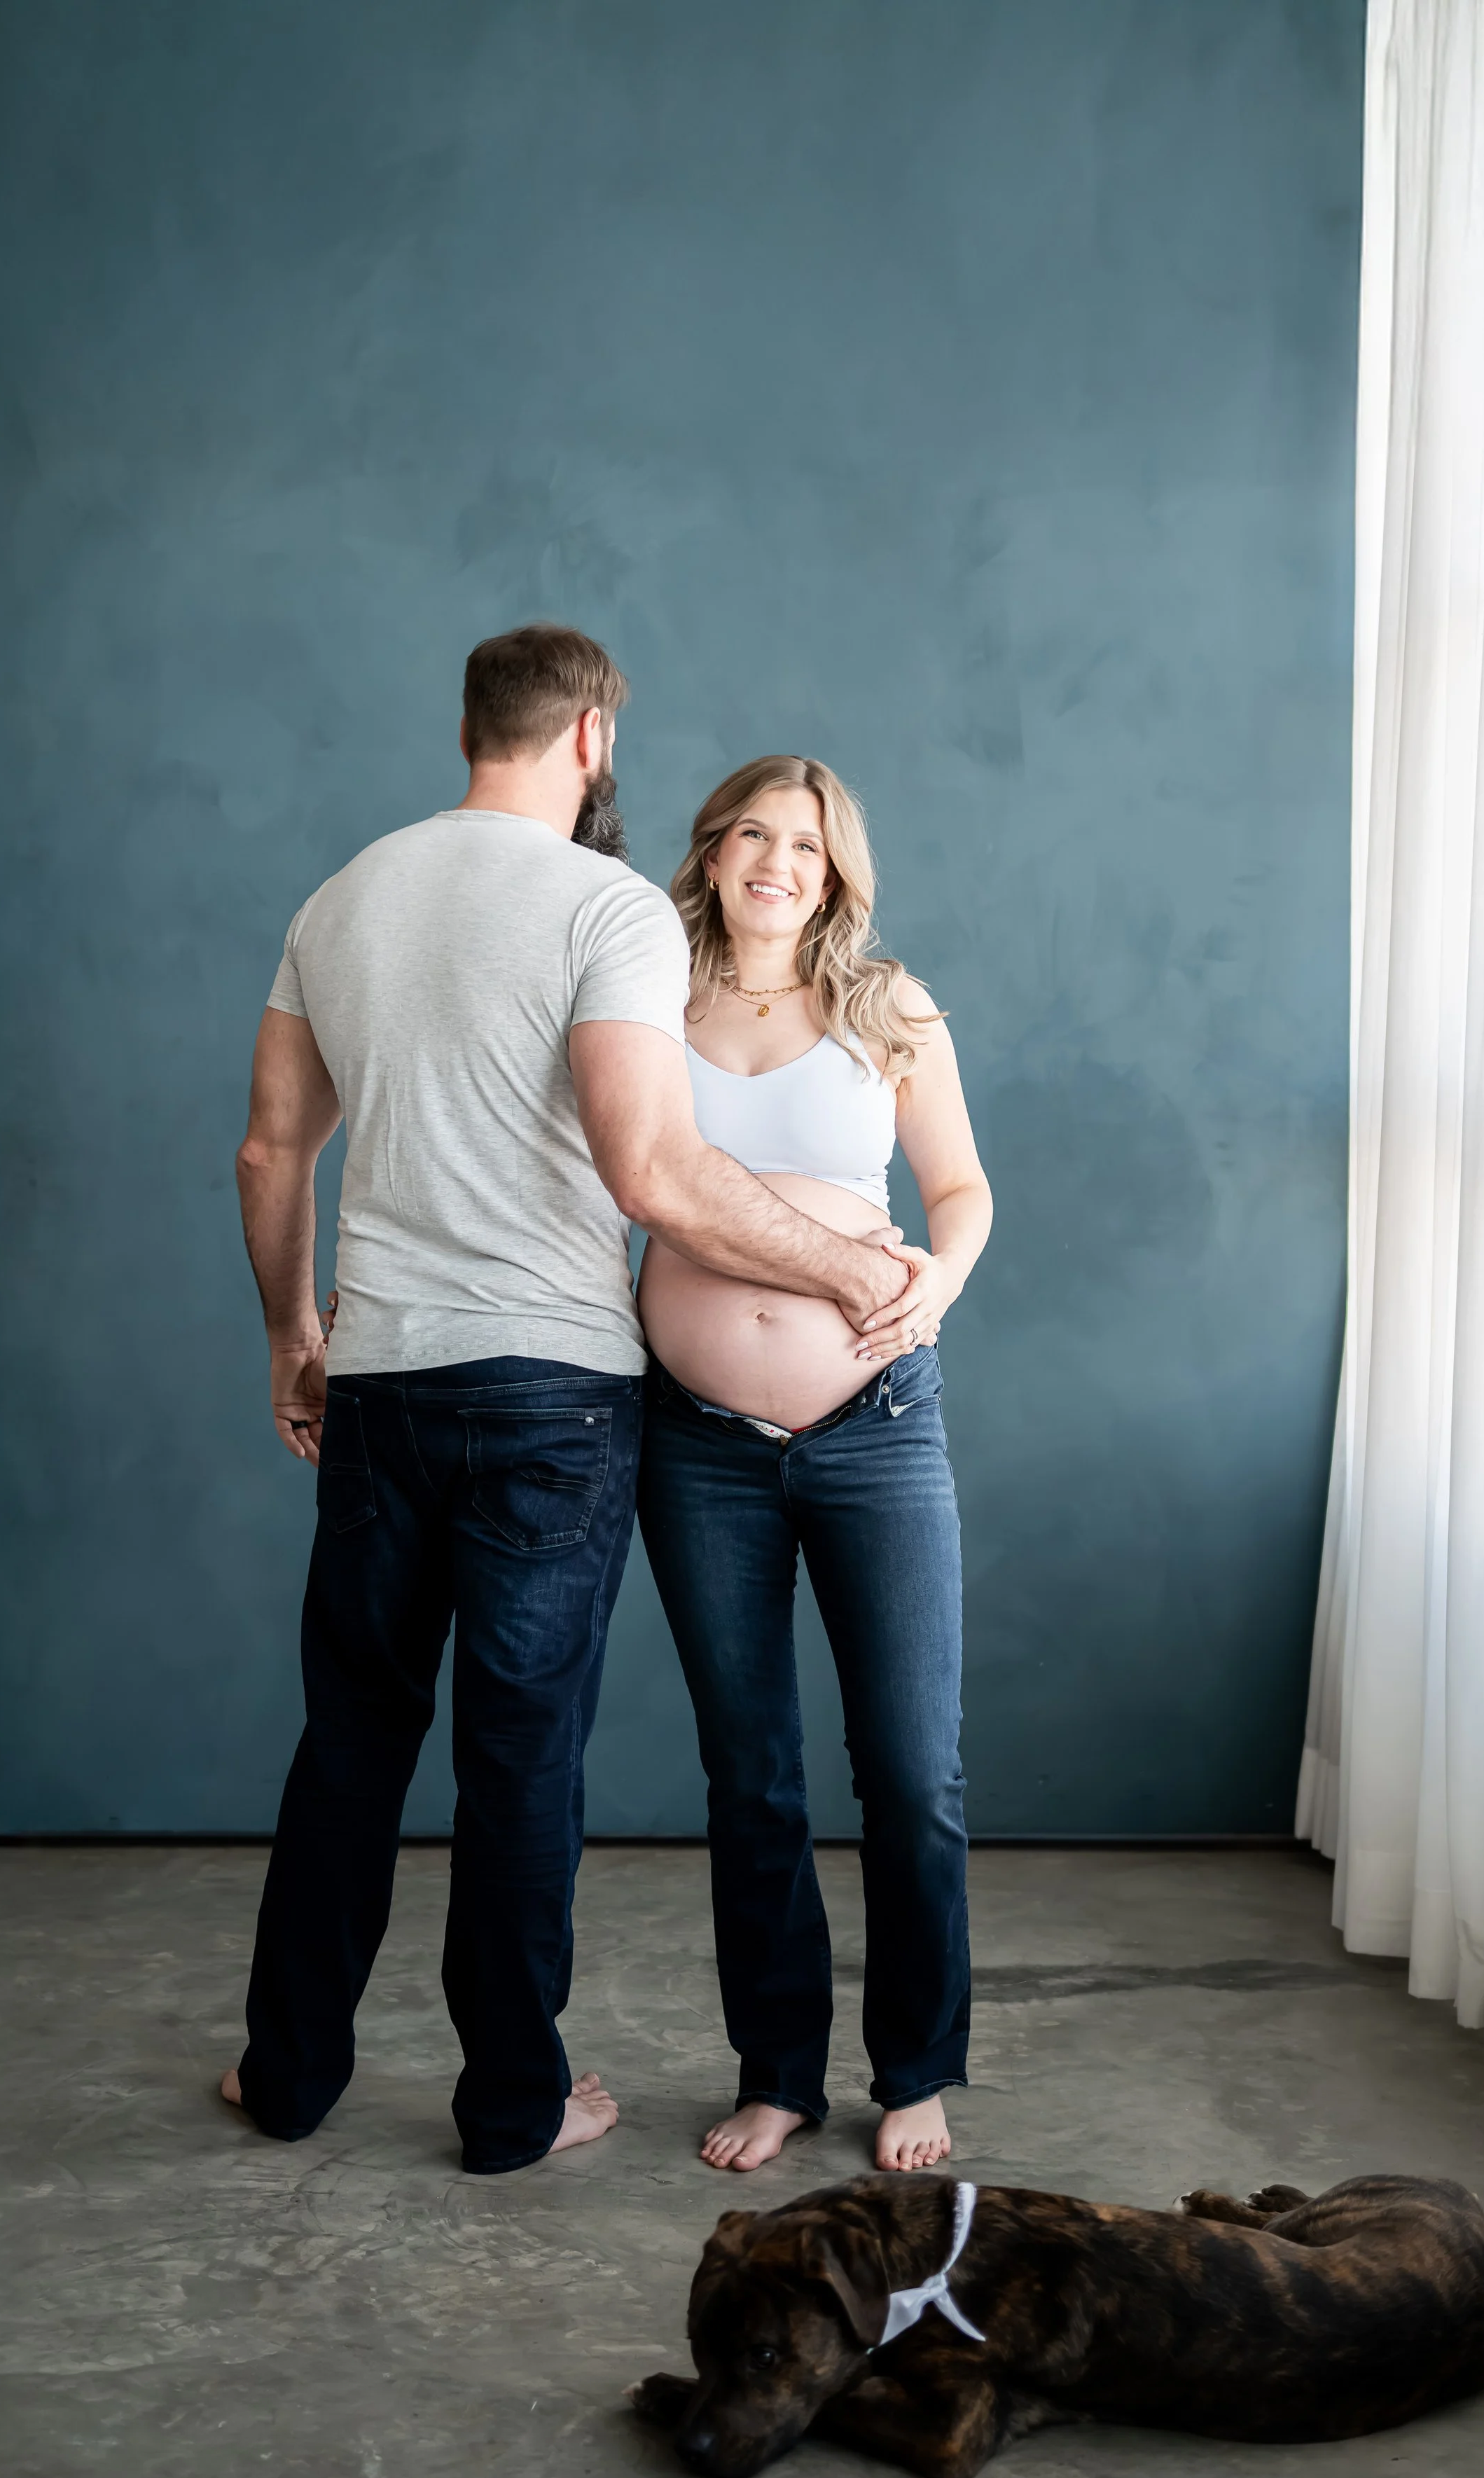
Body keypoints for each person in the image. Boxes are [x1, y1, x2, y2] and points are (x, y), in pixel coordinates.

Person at [221, 631, 914, 2174]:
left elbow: (272, 1151)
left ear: (473, 726)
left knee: (351, 1737)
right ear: (592, 736)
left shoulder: (341, 899)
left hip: (382, 1378)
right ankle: (511, 2108)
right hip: (553, 1396)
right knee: (520, 1755)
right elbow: (652, 1170)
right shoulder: (606, 907)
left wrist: (289, 1336)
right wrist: (853, 1268)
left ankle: (287, 2074)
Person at [634, 759, 993, 2175]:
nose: (776, 861)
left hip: (875, 1426)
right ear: (712, 850)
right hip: (696, 1442)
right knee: (752, 1775)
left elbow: (958, 1191)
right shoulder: (646, 998)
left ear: (836, 872)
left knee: (911, 1770)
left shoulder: (886, 1007)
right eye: (751, 834)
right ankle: (777, 2073)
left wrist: (938, 1282)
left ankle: (915, 2070)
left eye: (806, 844)